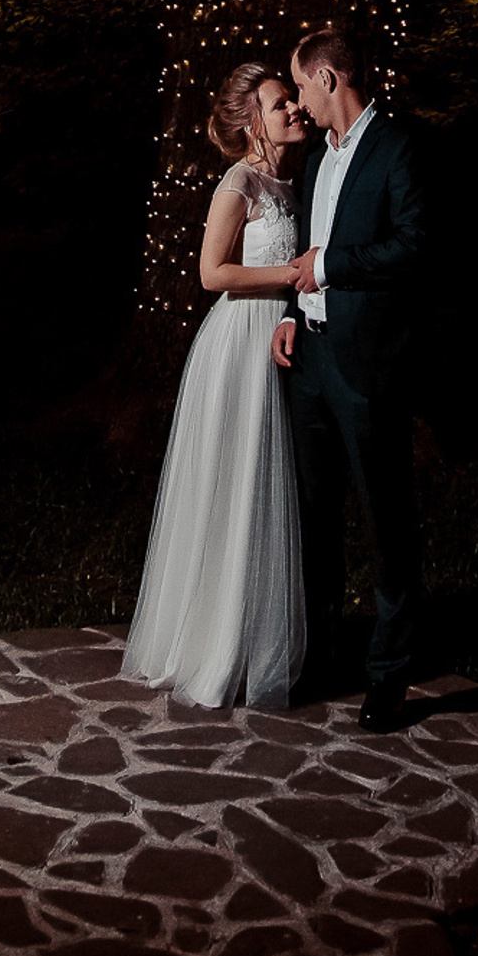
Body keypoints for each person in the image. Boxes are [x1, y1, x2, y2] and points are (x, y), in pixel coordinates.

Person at [120, 65, 312, 708]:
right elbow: (211, 273)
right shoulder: (240, 182)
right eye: (280, 103)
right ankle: (211, 643)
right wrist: (292, 274)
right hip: (235, 345)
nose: (294, 109)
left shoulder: (293, 182)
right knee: (231, 481)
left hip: (276, 340)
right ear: (252, 119)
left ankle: (256, 638)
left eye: (292, 99)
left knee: (264, 488)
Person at [273, 24, 426, 732]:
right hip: (309, 358)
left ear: (329, 79)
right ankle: (322, 652)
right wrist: (289, 311)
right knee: (314, 515)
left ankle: (390, 675)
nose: (297, 99)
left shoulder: (399, 147)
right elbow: (299, 244)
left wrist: (330, 268)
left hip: (368, 364)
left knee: (385, 517)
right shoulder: (313, 161)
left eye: (300, 82)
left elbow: (415, 245)